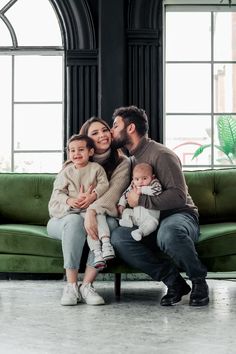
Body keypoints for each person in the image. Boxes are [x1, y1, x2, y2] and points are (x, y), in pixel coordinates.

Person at [111, 105, 209, 307]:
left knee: (169, 233)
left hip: (178, 215)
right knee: (119, 238)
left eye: (115, 125)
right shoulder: (132, 159)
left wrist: (140, 201)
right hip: (147, 219)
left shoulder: (161, 155)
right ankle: (175, 283)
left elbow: (179, 197)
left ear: (130, 128)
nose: (111, 131)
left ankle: (199, 281)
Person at [47, 117, 130, 306]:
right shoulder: (70, 167)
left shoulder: (122, 163)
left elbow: (111, 195)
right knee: (75, 222)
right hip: (64, 218)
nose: (102, 135)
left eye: (104, 130)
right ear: (87, 141)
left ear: (89, 150)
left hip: (98, 214)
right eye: (95, 133)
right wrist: (71, 201)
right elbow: (54, 202)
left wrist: (91, 207)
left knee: (109, 224)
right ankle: (71, 286)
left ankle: (87, 285)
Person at [48, 134, 115, 272]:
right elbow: (58, 192)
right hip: (74, 210)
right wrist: (70, 200)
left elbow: (104, 184)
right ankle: (97, 251)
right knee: (85, 225)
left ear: (90, 152)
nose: (76, 153)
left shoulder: (96, 168)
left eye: (80, 150)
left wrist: (93, 195)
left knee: (98, 219)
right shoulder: (66, 172)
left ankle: (106, 244)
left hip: (92, 207)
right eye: (72, 150)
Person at [118, 162, 162, 241]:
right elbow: (126, 193)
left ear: (152, 177)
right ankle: (127, 221)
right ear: (133, 178)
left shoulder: (153, 184)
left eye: (144, 178)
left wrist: (141, 190)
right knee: (127, 211)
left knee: (153, 223)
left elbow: (158, 191)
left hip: (149, 217)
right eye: (137, 179)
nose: (140, 182)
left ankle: (140, 232)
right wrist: (122, 204)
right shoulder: (133, 185)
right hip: (136, 217)